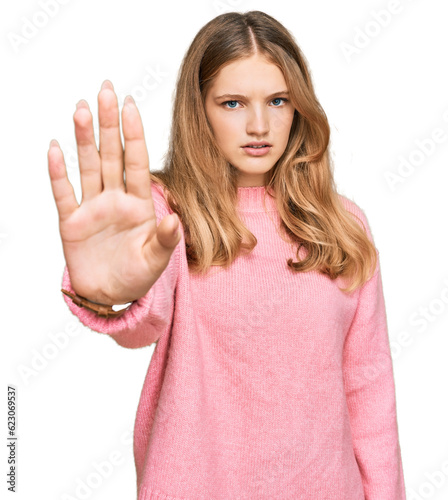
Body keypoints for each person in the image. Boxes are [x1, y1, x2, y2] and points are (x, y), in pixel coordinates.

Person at [47, 10, 406, 500]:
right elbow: (142, 322)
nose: (259, 125)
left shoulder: (342, 227)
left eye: (277, 100)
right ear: (200, 109)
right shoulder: (166, 213)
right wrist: (106, 293)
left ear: (298, 107)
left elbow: (369, 391)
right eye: (233, 102)